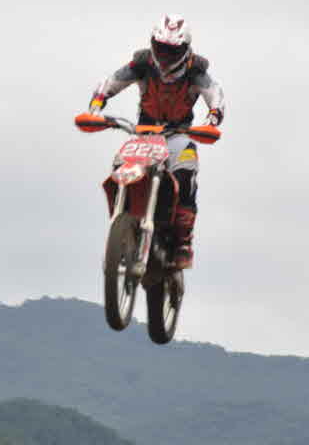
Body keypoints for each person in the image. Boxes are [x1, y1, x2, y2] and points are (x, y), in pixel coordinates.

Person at [88, 14, 226, 270]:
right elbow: (110, 82)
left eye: (171, 50)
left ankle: (183, 242)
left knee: (186, 171)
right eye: (161, 47)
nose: (165, 55)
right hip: (144, 134)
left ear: (184, 49)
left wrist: (212, 119)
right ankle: (123, 224)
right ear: (153, 43)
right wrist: (96, 106)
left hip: (179, 134)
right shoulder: (142, 64)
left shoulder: (196, 71)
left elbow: (215, 95)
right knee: (119, 166)